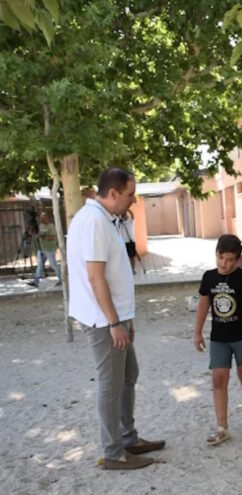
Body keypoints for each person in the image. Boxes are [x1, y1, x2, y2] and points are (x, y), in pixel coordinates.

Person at [67, 167, 164, 470]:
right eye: (130, 194)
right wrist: (114, 323)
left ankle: (128, 438)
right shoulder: (95, 221)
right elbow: (96, 278)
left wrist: (125, 318)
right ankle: (113, 453)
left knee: (128, 374)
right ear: (113, 193)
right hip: (103, 321)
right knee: (110, 385)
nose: (133, 200)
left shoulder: (102, 219)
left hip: (113, 317)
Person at [194, 234, 242, 446]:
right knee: (218, 379)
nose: (224, 263)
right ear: (216, 253)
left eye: (229, 260)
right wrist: (197, 332)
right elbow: (203, 305)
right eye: (221, 258)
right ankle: (221, 427)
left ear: (237, 260)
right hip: (219, 338)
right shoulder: (208, 278)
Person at [29, 212, 62, 287]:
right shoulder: (41, 226)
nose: (42, 220)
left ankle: (61, 279)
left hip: (50, 249)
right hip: (42, 248)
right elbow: (37, 234)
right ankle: (36, 280)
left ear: (47, 218)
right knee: (40, 264)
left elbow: (52, 237)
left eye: (44, 218)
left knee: (53, 264)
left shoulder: (51, 226)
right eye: (41, 218)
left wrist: (42, 237)